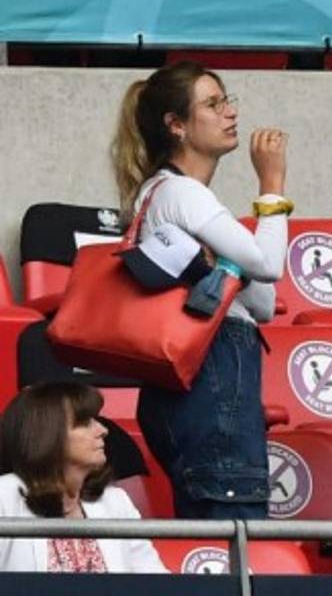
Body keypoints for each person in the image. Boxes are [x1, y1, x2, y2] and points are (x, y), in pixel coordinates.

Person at [113, 60, 290, 519]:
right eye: (212, 104)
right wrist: (272, 185)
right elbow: (269, 266)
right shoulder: (181, 194)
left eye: (227, 100)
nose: (230, 112)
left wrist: (233, 264)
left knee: (210, 536)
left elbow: (262, 303)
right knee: (234, 534)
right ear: (176, 125)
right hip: (211, 384)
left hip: (196, 390)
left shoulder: (170, 195)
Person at [0, 382, 166, 573]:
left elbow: (153, 580)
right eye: (86, 423)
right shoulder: (4, 495)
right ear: (47, 435)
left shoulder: (115, 500)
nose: (103, 430)